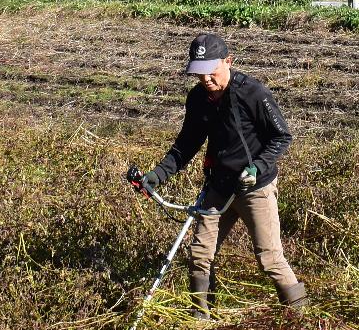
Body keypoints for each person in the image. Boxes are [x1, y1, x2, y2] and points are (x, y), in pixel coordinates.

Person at [126, 32, 307, 311]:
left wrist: (257, 167)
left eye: (210, 72)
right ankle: (200, 318)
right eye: (199, 74)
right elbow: (187, 143)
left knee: (269, 258)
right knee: (199, 254)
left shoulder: (253, 92)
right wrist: (157, 175)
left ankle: (301, 316)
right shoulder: (198, 98)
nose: (206, 80)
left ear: (228, 61)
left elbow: (281, 136)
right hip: (218, 187)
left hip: (253, 187)